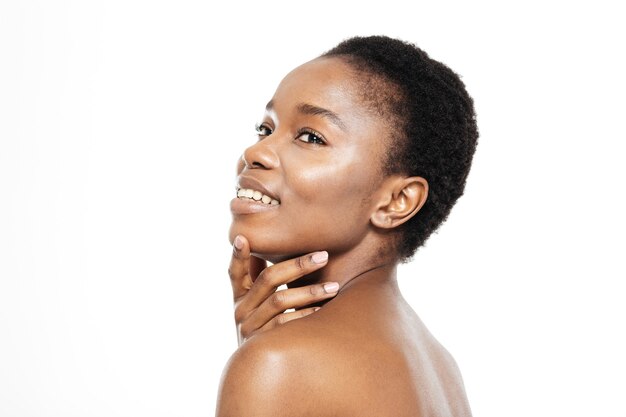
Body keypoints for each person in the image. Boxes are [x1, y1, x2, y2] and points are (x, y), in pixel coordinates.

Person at [217, 35, 478, 417]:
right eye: (265, 128)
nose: (254, 153)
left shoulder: (280, 363)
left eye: (311, 137)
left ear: (396, 201)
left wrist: (259, 363)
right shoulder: (440, 368)